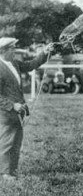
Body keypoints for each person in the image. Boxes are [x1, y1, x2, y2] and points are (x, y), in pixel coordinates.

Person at [0, 37, 54, 181]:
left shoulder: (14, 63)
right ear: (3, 51)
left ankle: (12, 170)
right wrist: (12, 105)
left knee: (16, 141)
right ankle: (5, 173)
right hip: (6, 112)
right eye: (12, 49)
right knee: (6, 142)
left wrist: (45, 52)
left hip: (18, 112)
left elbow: (31, 64)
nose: (15, 51)